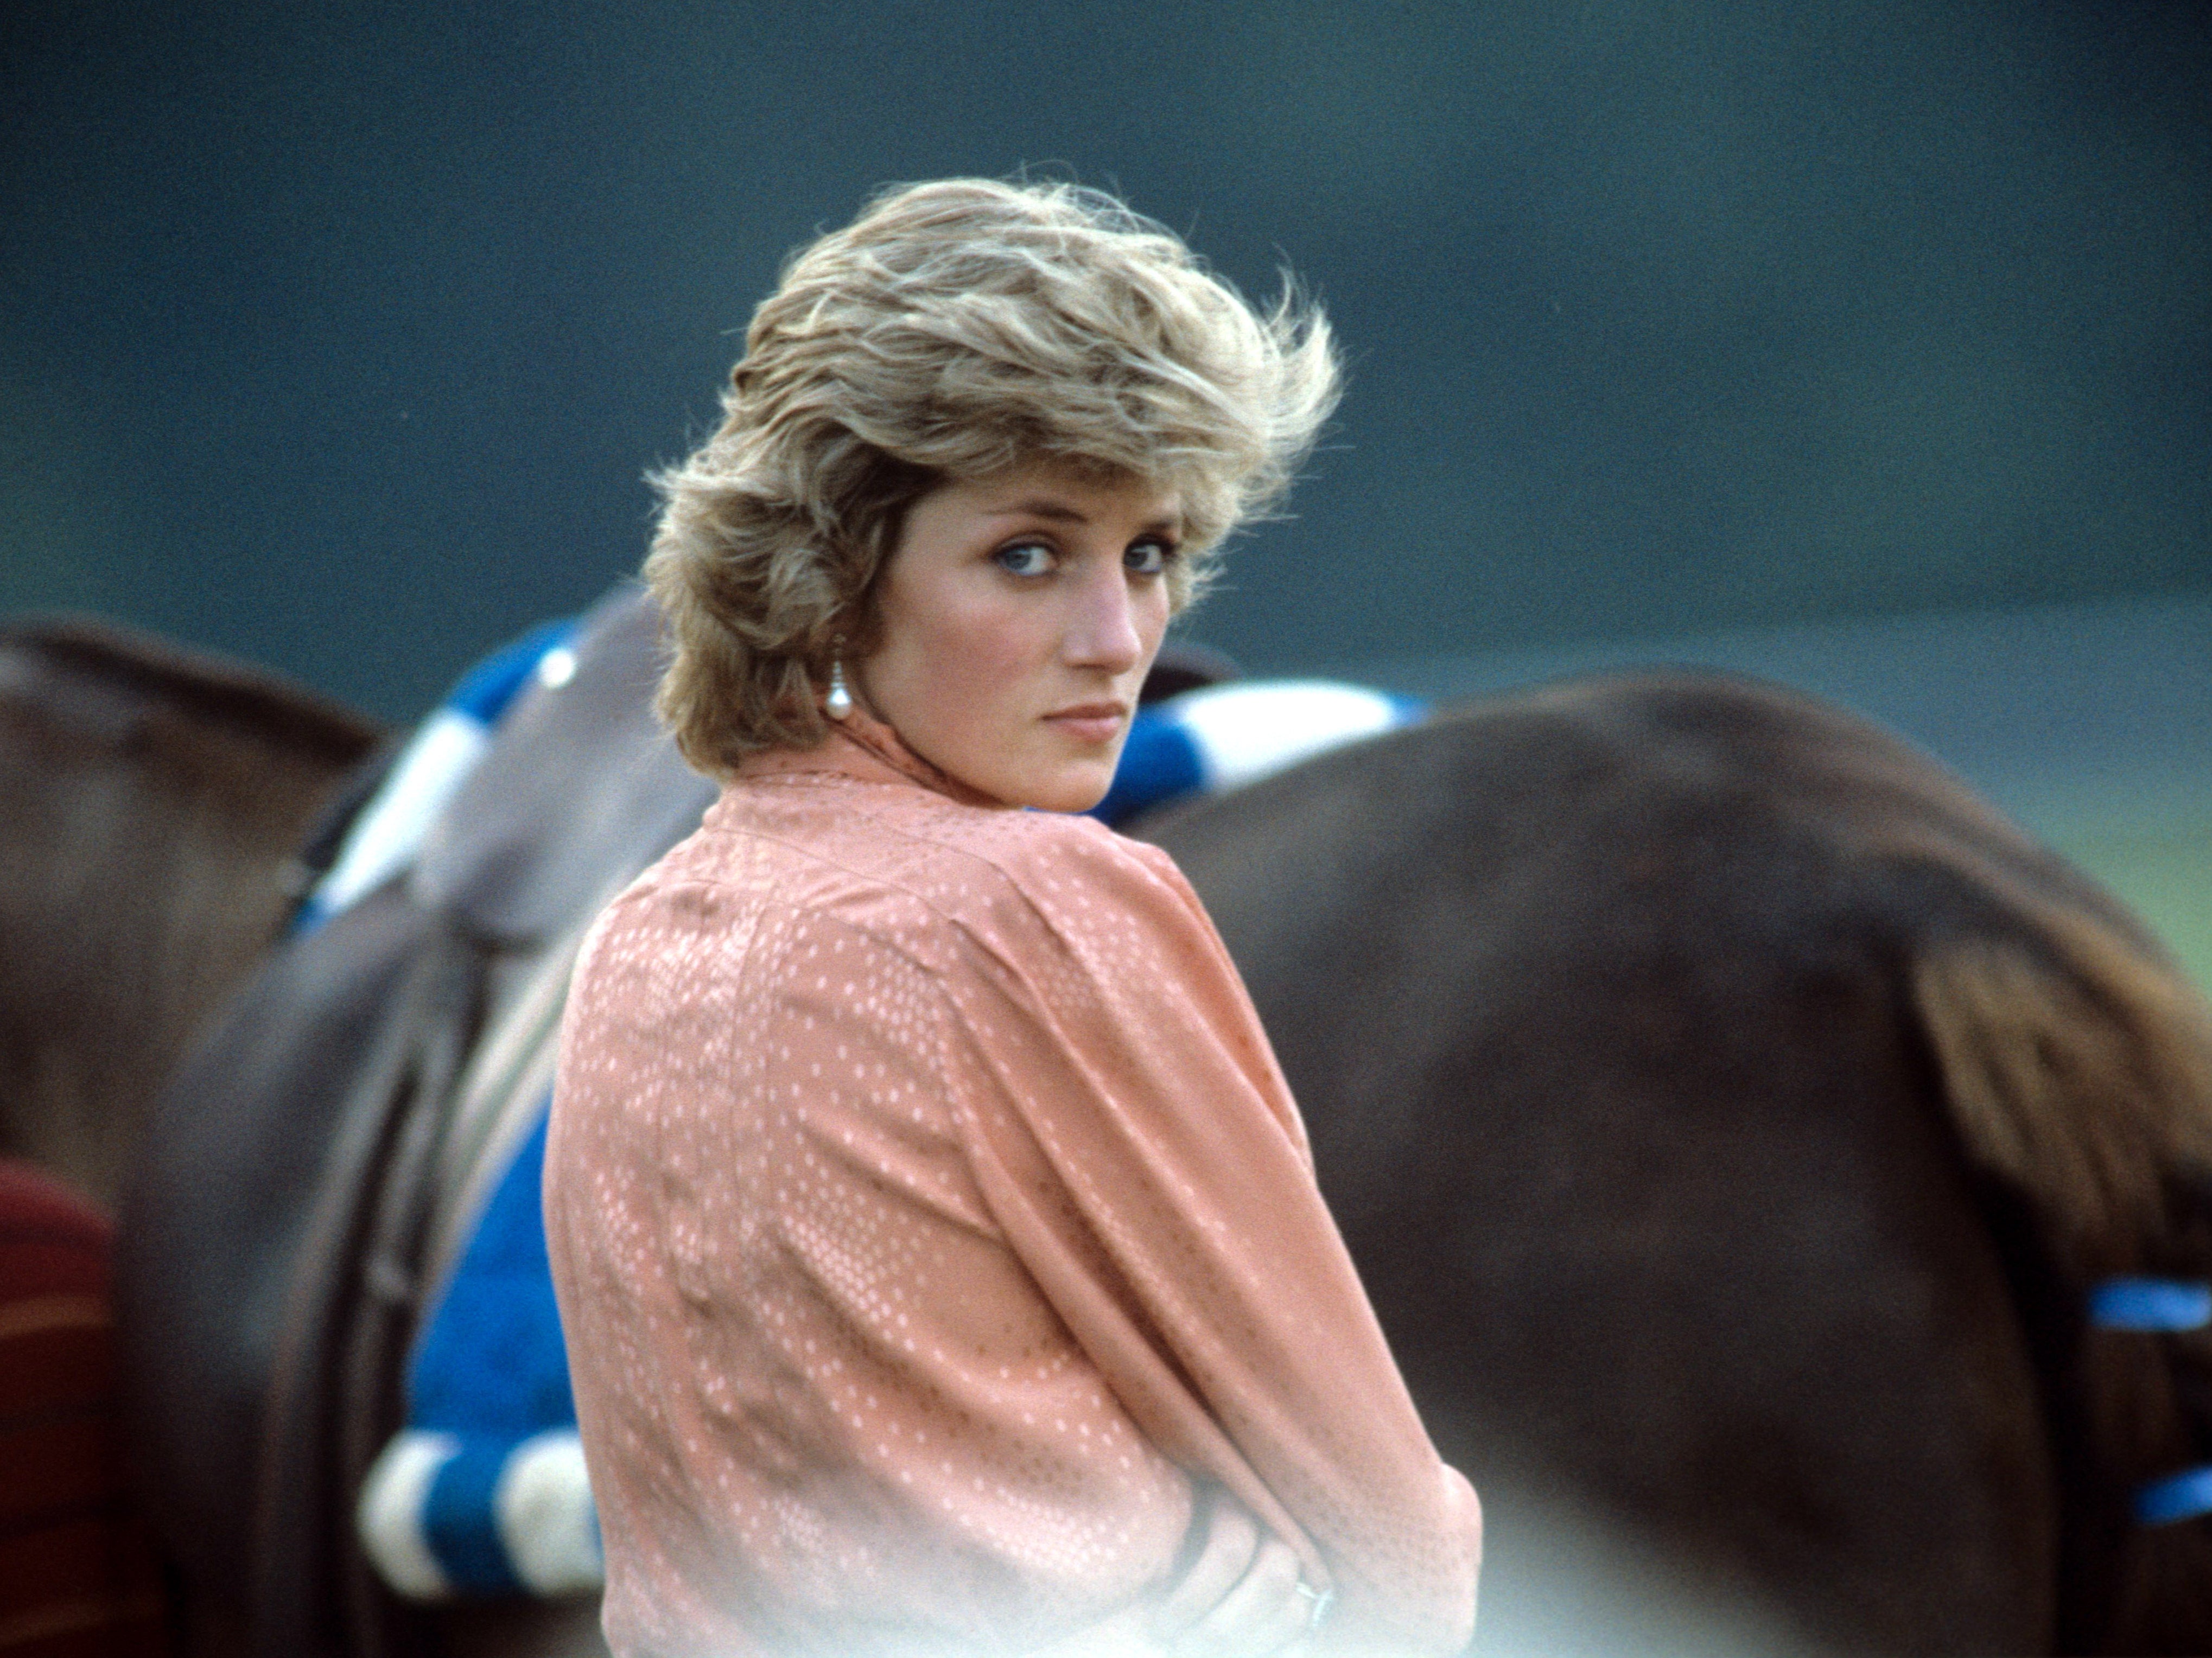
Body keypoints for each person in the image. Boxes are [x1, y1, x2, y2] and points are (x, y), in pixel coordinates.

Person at [543, 178, 1481, 1657]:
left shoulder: (634, 942)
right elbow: (1394, 1542)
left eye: (1151, 553)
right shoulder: (1028, 903)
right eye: (1027, 555)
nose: (1117, 644)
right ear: (832, 578)